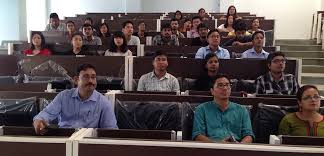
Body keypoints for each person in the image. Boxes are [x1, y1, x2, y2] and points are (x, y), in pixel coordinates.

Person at [33, 64, 118, 134]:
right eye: (86, 77)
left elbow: (110, 131)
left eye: (93, 77)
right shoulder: (63, 96)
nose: (91, 81)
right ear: (76, 80)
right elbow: (47, 113)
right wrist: (38, 120)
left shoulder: (103, 102)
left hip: (87, 141)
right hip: (64, 137)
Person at [192, 74, 254, 143]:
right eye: (220, 85)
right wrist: (218, 144)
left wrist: (240, 146)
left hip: (236, 147)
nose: (224, 88)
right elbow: (198, 135)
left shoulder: (242, 110)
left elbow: (249, 135)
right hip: (211, 148)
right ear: (212, 91)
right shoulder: (201, 109)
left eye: (227, 85)